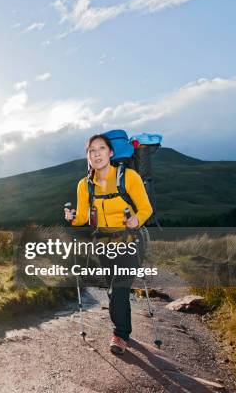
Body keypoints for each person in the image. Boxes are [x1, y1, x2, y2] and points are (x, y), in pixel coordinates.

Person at [64, 134, 152, 354]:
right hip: (103, 244)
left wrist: (136, 220)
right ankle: (125, 328)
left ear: (110, 153)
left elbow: (145, 208)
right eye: (91, 150)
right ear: (88, 157)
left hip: (130, 241)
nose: (96, 153)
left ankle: (120, 335)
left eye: (101, 148)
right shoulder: (85, 185)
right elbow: (83, 217)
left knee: (119, 287)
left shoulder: (129, 177)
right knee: (115, 291)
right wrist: (72, 217)